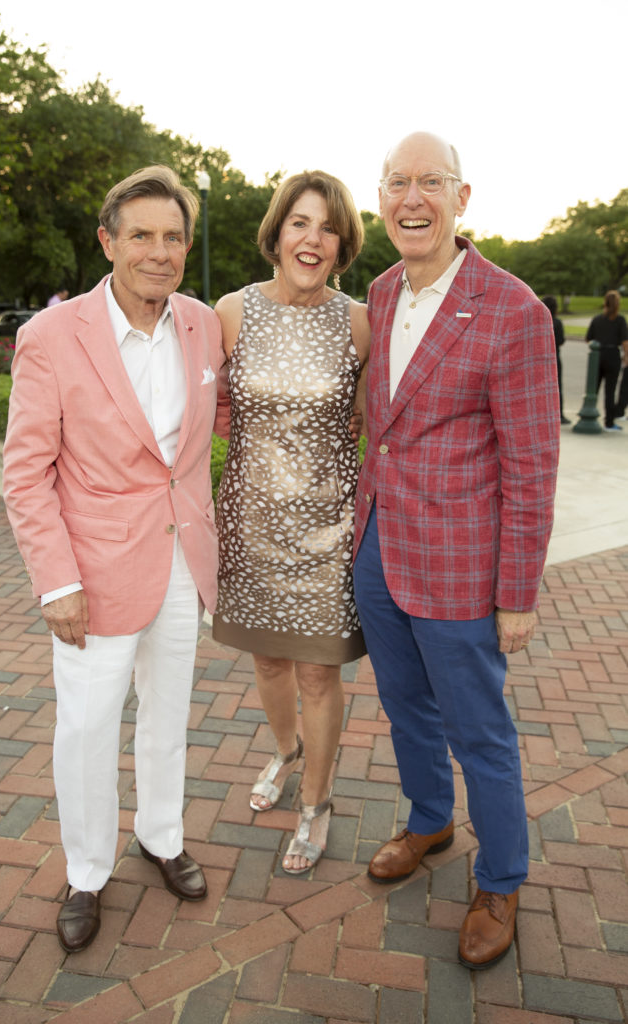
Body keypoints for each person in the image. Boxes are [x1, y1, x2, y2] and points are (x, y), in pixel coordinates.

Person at [3, 165, 230, 954]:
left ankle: (161, 838)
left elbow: (211, 429)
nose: (159, 252)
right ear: (108, 241)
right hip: (90, 574)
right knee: (89, 727)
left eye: (173, 237)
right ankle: (88, 870)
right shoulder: (49, 337)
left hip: (179, 560)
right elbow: (25, 473)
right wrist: (56, 583)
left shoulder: (203, 324)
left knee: (168, 714)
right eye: (141, 235)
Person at [352, 133, 559, 970]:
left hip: (460, 567)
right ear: (381, 200)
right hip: (379, 553)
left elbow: (531, 464)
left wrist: (517, 593)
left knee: (481, 732)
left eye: (428, 182)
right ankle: (430, 819)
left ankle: (501, 877)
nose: (411, 198)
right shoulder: (375, 291)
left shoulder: (513, 309)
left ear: (461, 197)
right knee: (405, 711)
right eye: (396, 182)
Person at [212, 171, 370, 874]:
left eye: (328, 227)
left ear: (342, 245)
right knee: (268, 659)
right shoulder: (230, 312)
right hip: (247, 523)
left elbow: (374, 419)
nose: (313, 238)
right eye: (300, 223)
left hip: (329, 532)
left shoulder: (359, 320)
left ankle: (316, 802)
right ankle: (286, 752)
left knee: (316, 676)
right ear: (276, 234)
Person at [586, 290, 628, 431]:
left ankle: (589, 412)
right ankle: (609, 422)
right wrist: (626, 356)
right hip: (612, 355)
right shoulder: (620, 320)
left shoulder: (597, 319)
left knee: (593, 389)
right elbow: (625, 341)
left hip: (598, 355)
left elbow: (588, 338)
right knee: (610, 391)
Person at [542, 295, 570, 423]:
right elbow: (561, 340)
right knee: (557, 387)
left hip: (539, 358)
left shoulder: (539, 320)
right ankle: (559, 414)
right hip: (554, 357)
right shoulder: (557, 322)